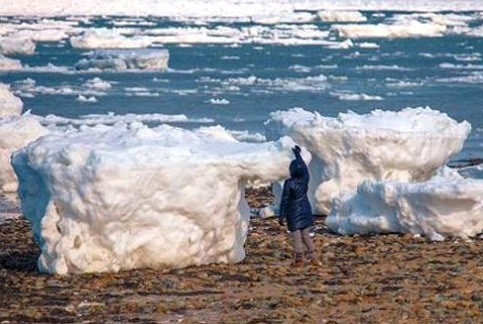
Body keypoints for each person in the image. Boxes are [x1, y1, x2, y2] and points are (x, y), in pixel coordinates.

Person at [278, 145, 320, 267]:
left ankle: (299, 260)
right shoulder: (304, 180)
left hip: (293, 213)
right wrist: (298, 155)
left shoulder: (289, 183)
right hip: (305, 210)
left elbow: (285, 199)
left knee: (296, 237)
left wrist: (281, 215)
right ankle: (314, 257)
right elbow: (305, 169)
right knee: (306, 235)